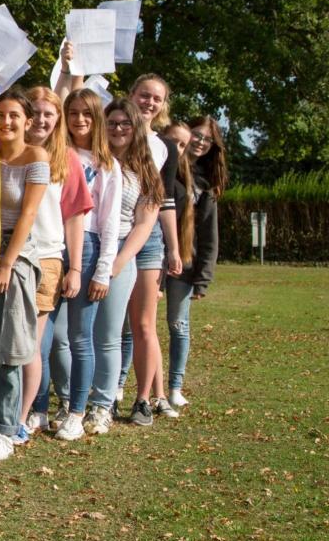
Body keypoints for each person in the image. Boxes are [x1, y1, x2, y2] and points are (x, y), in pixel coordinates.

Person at [0, 88, 49, 460]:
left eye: (14, 116)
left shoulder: (35, 157)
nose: (6, 122)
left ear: (28, 121)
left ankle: (4, 429)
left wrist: (5, 264)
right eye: (0, 114)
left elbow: (28, 214)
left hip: (14, 254)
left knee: (9, 349)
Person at [84, 99, 162, 435]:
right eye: (112, 123)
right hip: (87, 246)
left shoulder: (145, 171)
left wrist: (116, 263)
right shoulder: (94, 162)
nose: (117, 129)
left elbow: (144, 224)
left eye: (124, 124)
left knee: (109, 335)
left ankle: (104, 403)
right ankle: (78, 400)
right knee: (80, 334)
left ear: (134, 128)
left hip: (121, 252)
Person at [53, 88, 121, 441]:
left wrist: (103, 270)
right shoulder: (55, 154)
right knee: (50, 337)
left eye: (87, 114)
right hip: (52, 245)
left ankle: (78, 412)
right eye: (73, 112)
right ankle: (54, 404)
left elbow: (109, 224)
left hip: (89, 248)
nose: (79, 120)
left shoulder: (107, 166)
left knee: (81, 336)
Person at [21, 87, 91, 435]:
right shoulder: (10, 149)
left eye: (50, 114)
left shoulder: (67, 159)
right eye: (36, 112)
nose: (42, 120)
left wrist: (75, 267)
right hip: (8, 255)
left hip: (47, 258)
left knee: (35, 343)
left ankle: (28, 413)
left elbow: (74, 218)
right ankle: (25, 410)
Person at [116, 74, 182, 424]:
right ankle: (105, 394)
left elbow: (166, 199)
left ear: (163, 105)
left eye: (157, 98)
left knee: (143, 324)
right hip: (112, 234)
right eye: (144, 95)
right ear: (132, 95)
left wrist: (173, 248)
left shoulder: (165, 147)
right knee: (112, 325)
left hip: (147, 239)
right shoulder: (112, 130)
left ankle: (143, 399)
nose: (149, 103)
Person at [164, 116, 227, 407]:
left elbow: (208, 236)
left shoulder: (205, 184)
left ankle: (175, 386)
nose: (200, 142)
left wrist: (203, 277)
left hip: (185, 267)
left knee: (178, 324)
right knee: (135, 326)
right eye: (196, 136)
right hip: (153, 257)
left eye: (207, 139)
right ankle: (122, 384)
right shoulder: (164, 166)